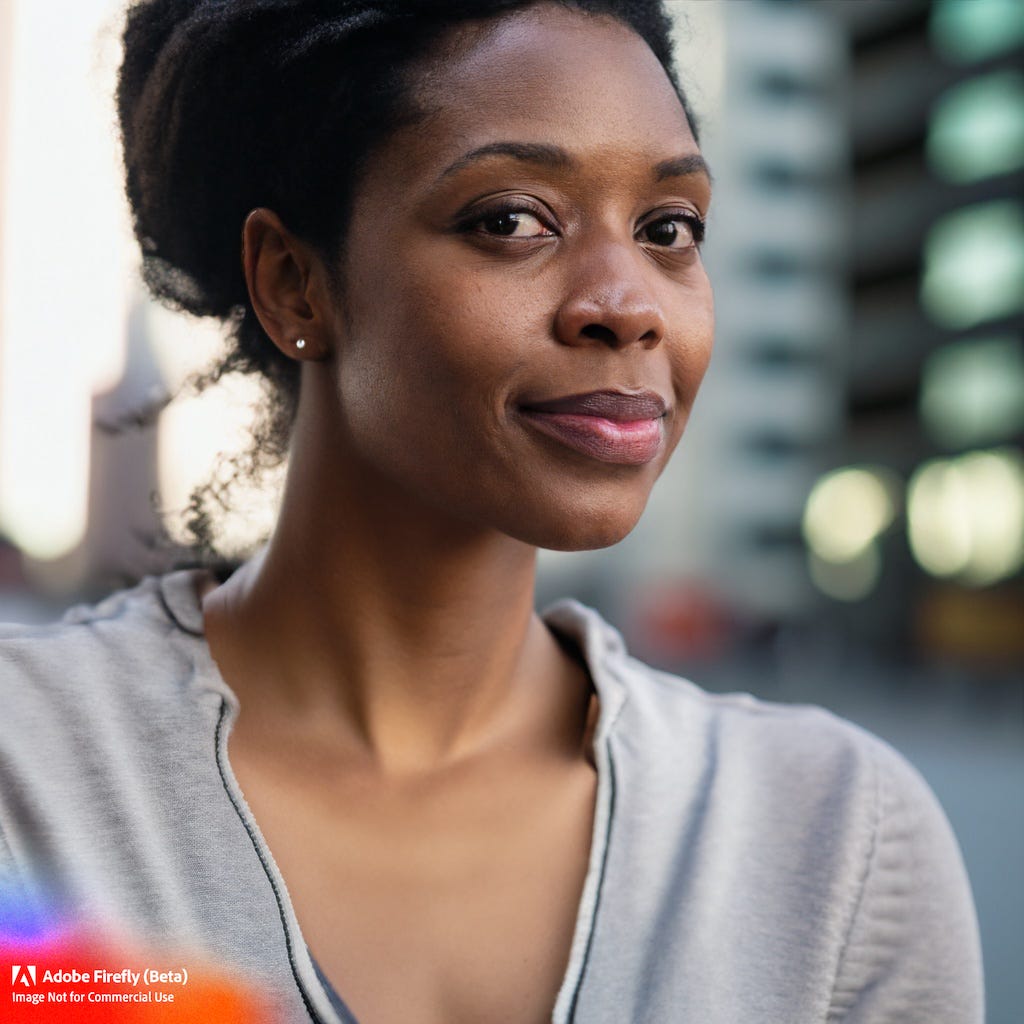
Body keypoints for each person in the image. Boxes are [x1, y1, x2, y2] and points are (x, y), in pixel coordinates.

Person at [0, 1, 983, 1022]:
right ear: (295, 284)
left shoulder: (835, 841)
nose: (626, 301)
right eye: (511, 218)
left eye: (668, 230)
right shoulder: (28, 779)